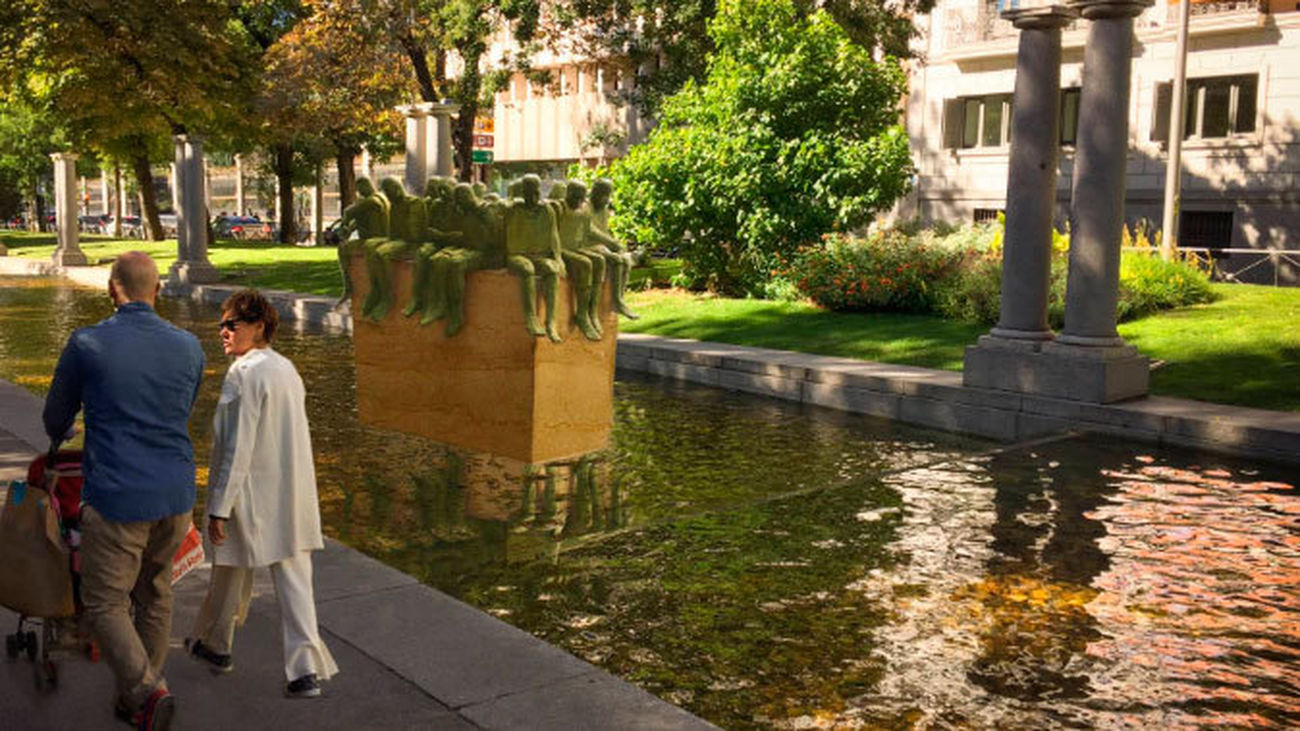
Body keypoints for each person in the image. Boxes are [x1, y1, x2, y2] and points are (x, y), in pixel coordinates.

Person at [43, 251, 204, 731]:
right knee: (155, 594)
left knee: (105, 602)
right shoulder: (190, 346)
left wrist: (67, 430)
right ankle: (137, 702)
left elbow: (55, 418)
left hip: (118, 495)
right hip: (175, 493)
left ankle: (146, 692)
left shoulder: (87, 343)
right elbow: (181, 409)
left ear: (112, 289)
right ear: (158, 290)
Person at [186, 289, 338, 698]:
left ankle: (217, 645)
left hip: (250, 497)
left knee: (228, 564)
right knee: (293, 583)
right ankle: (302, 671)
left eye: (231, 324)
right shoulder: (286, 368)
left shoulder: (244, 374)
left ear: (258, 326)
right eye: (221, 324)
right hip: (292, 494)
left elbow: (237, 446)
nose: (223, 331)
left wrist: (219, 507)